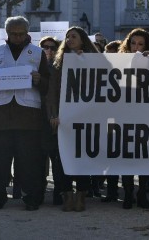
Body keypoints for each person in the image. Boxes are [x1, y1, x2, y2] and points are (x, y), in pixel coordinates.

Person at [0, 16, 50, 212]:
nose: (17, 37)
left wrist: (39, 80)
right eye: (13, 34)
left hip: (28, 116)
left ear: (27, 33)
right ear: (7, 33)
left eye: (21, 34)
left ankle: (32, 198)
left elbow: (48, 84)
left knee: (29, 161)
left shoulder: (37, 53)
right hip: (0, 116)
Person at [47, 26, 100, 212]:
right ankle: (67, 195)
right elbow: (52, 92)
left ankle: (81, 196)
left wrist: (84, 61)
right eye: (67, 36)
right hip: (63, 119)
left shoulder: (95, 61)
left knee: (82, 158)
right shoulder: (58, 63)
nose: (69, 39)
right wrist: (53, 114)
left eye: (74, 36)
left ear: (83, 40)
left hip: (86, 119)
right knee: (61, 160)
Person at [117, 28, 149, 209]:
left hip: (146, 116)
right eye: (133, 43)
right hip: (124, 116)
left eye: (140, 44)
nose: (136, 47)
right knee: (126, 157)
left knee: (143, 157)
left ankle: (142, 193)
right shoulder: (118, 62)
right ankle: (127, 193)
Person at [38, 36, 64, 206]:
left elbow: (53, 95)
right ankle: (39, 192)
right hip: (37, 118)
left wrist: (54, 115)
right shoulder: (34, 67)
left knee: (57, 158)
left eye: (53, 47)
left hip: (55, 118)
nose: (49, 50)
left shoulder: (58, 69)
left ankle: (58, 193)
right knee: (39, 159)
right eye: (45, 47)